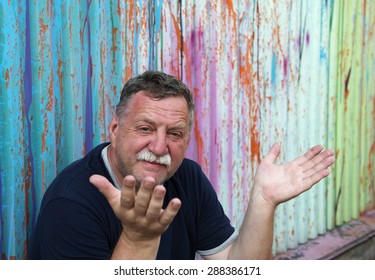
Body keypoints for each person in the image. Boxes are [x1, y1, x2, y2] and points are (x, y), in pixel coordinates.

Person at [28, 70, 335, 260]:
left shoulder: (186, 177)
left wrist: (263, 202)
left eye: (174, 134)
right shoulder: (72, 203)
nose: (160, 147)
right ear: (115, 129)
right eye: (146, 129)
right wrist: (138, 238)